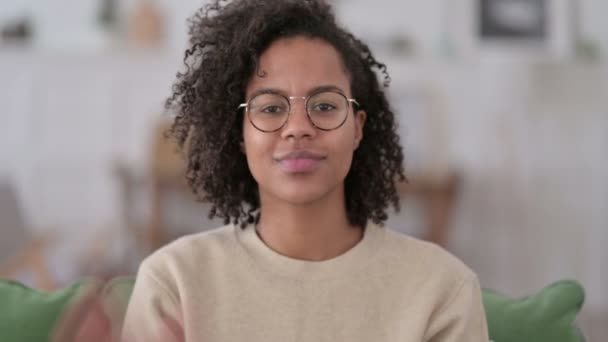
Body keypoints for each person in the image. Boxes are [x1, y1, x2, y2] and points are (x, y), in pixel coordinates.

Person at [121, 0, 489, 341]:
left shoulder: (442, 288)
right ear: (240, 134)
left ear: (358, 128)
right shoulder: (175, 282)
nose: (298, 127)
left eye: (325, 106)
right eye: (270, 108)